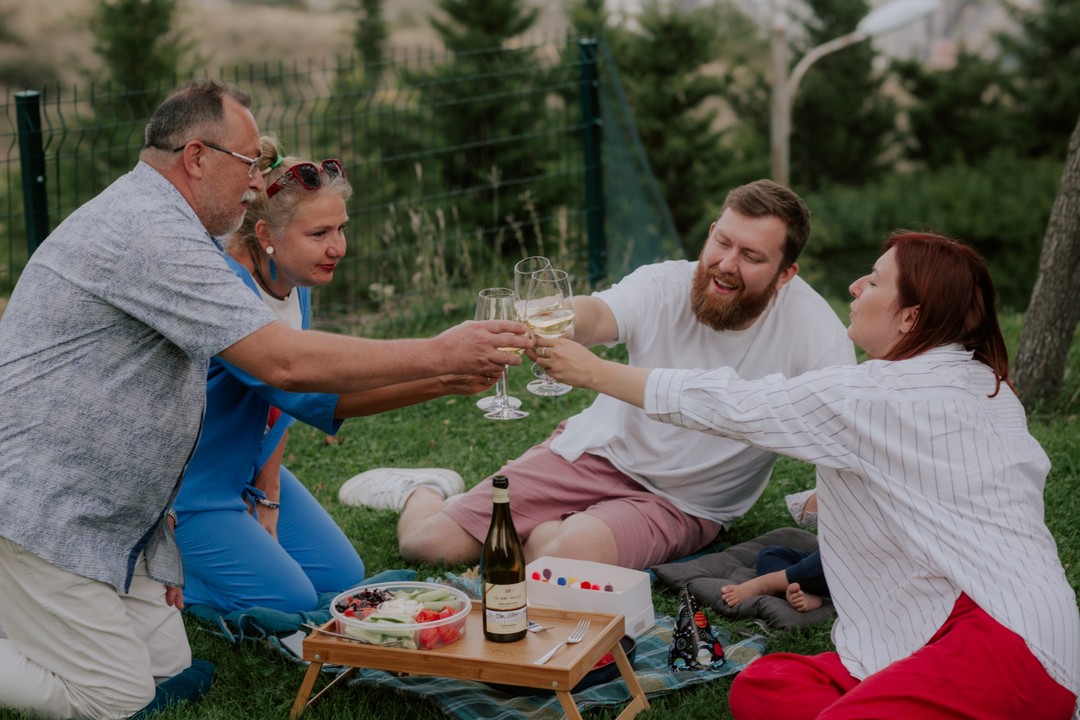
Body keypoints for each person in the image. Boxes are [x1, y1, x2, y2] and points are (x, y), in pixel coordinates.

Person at [0, 79, 528, 720]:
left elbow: (280, 398)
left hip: (124, 507)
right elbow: (284, 366)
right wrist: (440, 356)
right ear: (196, 157)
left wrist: (444, 375)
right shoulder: (153, 234)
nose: (256, 183)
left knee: (173, 670)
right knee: (119, 699)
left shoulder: (169, 224)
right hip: (45, 501)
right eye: (248, 164)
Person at [534, 231, 1080, 718]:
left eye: (875, 280)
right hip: (941, 618)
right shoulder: (982, 383)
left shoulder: (877, 397)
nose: (855, 285)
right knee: (763, 686)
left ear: (910, 317)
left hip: (1004, 636)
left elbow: (735, 404)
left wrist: (595, 370)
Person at [340, 179, 855, 570]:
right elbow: (597, 314)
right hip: (597, 452)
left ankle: (568, 528)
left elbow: (841, 428)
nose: (724, 263)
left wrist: (826, 507)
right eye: (721, 241)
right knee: (427, 545)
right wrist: (561, 314)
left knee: (559, 559)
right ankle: (422, 487)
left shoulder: (816, 332)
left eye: (751, 256)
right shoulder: (665, 283)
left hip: (683, 501)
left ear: (787, 273)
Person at [174, 137, 493, 616]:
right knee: (290, 602)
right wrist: (441, 368)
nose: (337, 248)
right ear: (266, 234)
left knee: (340, 576)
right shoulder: (228, 292)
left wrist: (269, 495)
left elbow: (278, 406)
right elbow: (307, 389)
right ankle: (155, 575)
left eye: (341, 228)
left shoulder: (292, 280)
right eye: (319, 234)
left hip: (248, 472)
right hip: (191, 487)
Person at [720, 490, 829, 613]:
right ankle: (797, 590)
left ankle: (767, 584)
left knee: (828, 559)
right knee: (770, 555)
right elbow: (805, 513)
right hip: (822, 570)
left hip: (844, 569)